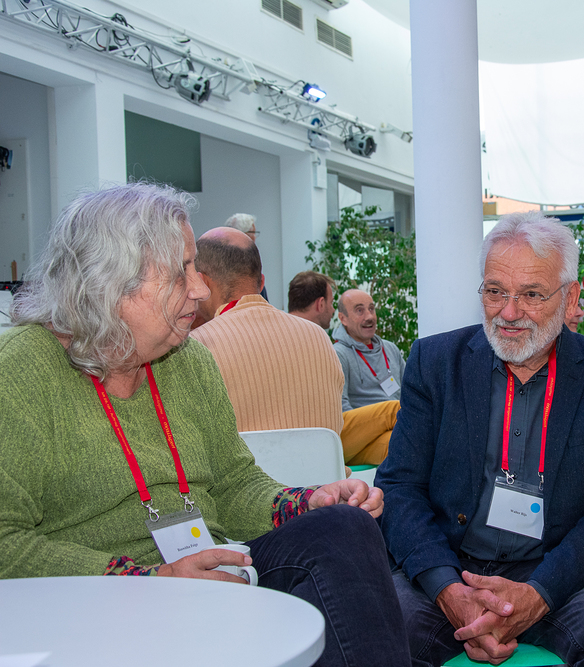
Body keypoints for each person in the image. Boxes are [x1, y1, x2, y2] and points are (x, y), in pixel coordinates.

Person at [0, 183, 409, 667]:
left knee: (345, 528)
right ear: (110, 281)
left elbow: (235, 484)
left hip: (215, 572)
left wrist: (307, 501)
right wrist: (151, 581)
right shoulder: (20, 370)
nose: (199, 288)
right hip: (98, 607)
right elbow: (7, 544)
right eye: (181, 271)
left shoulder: (188, 357)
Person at [376, 210, 584, 667]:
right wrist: (446, 588)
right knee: (382, 624)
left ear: (571, 297)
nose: (509, 312)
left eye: (532, 294)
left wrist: (539, 593)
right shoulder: (435, 362)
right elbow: (400, 486)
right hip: (451, 560)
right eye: (495, 291)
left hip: (558, 571)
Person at [190, 229, 396, 466]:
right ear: (262, 282)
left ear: (202, 283)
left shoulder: (198, 347)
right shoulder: (319, 338)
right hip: (325, 482)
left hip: (249, 486)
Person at [333, 289, 406, 411]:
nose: (369, 316)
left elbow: (411, 390)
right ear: (343, 318)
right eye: (359, 310)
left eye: (371, 309)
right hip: (368, 422)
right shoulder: (338, 355)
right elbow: (341, 407)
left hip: (400, 418)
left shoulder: (390, 348)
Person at [225, 212, 267, 302]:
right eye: (253, 233)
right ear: (244, 234)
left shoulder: (221, 259)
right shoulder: (247, 261)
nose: (255, 237)